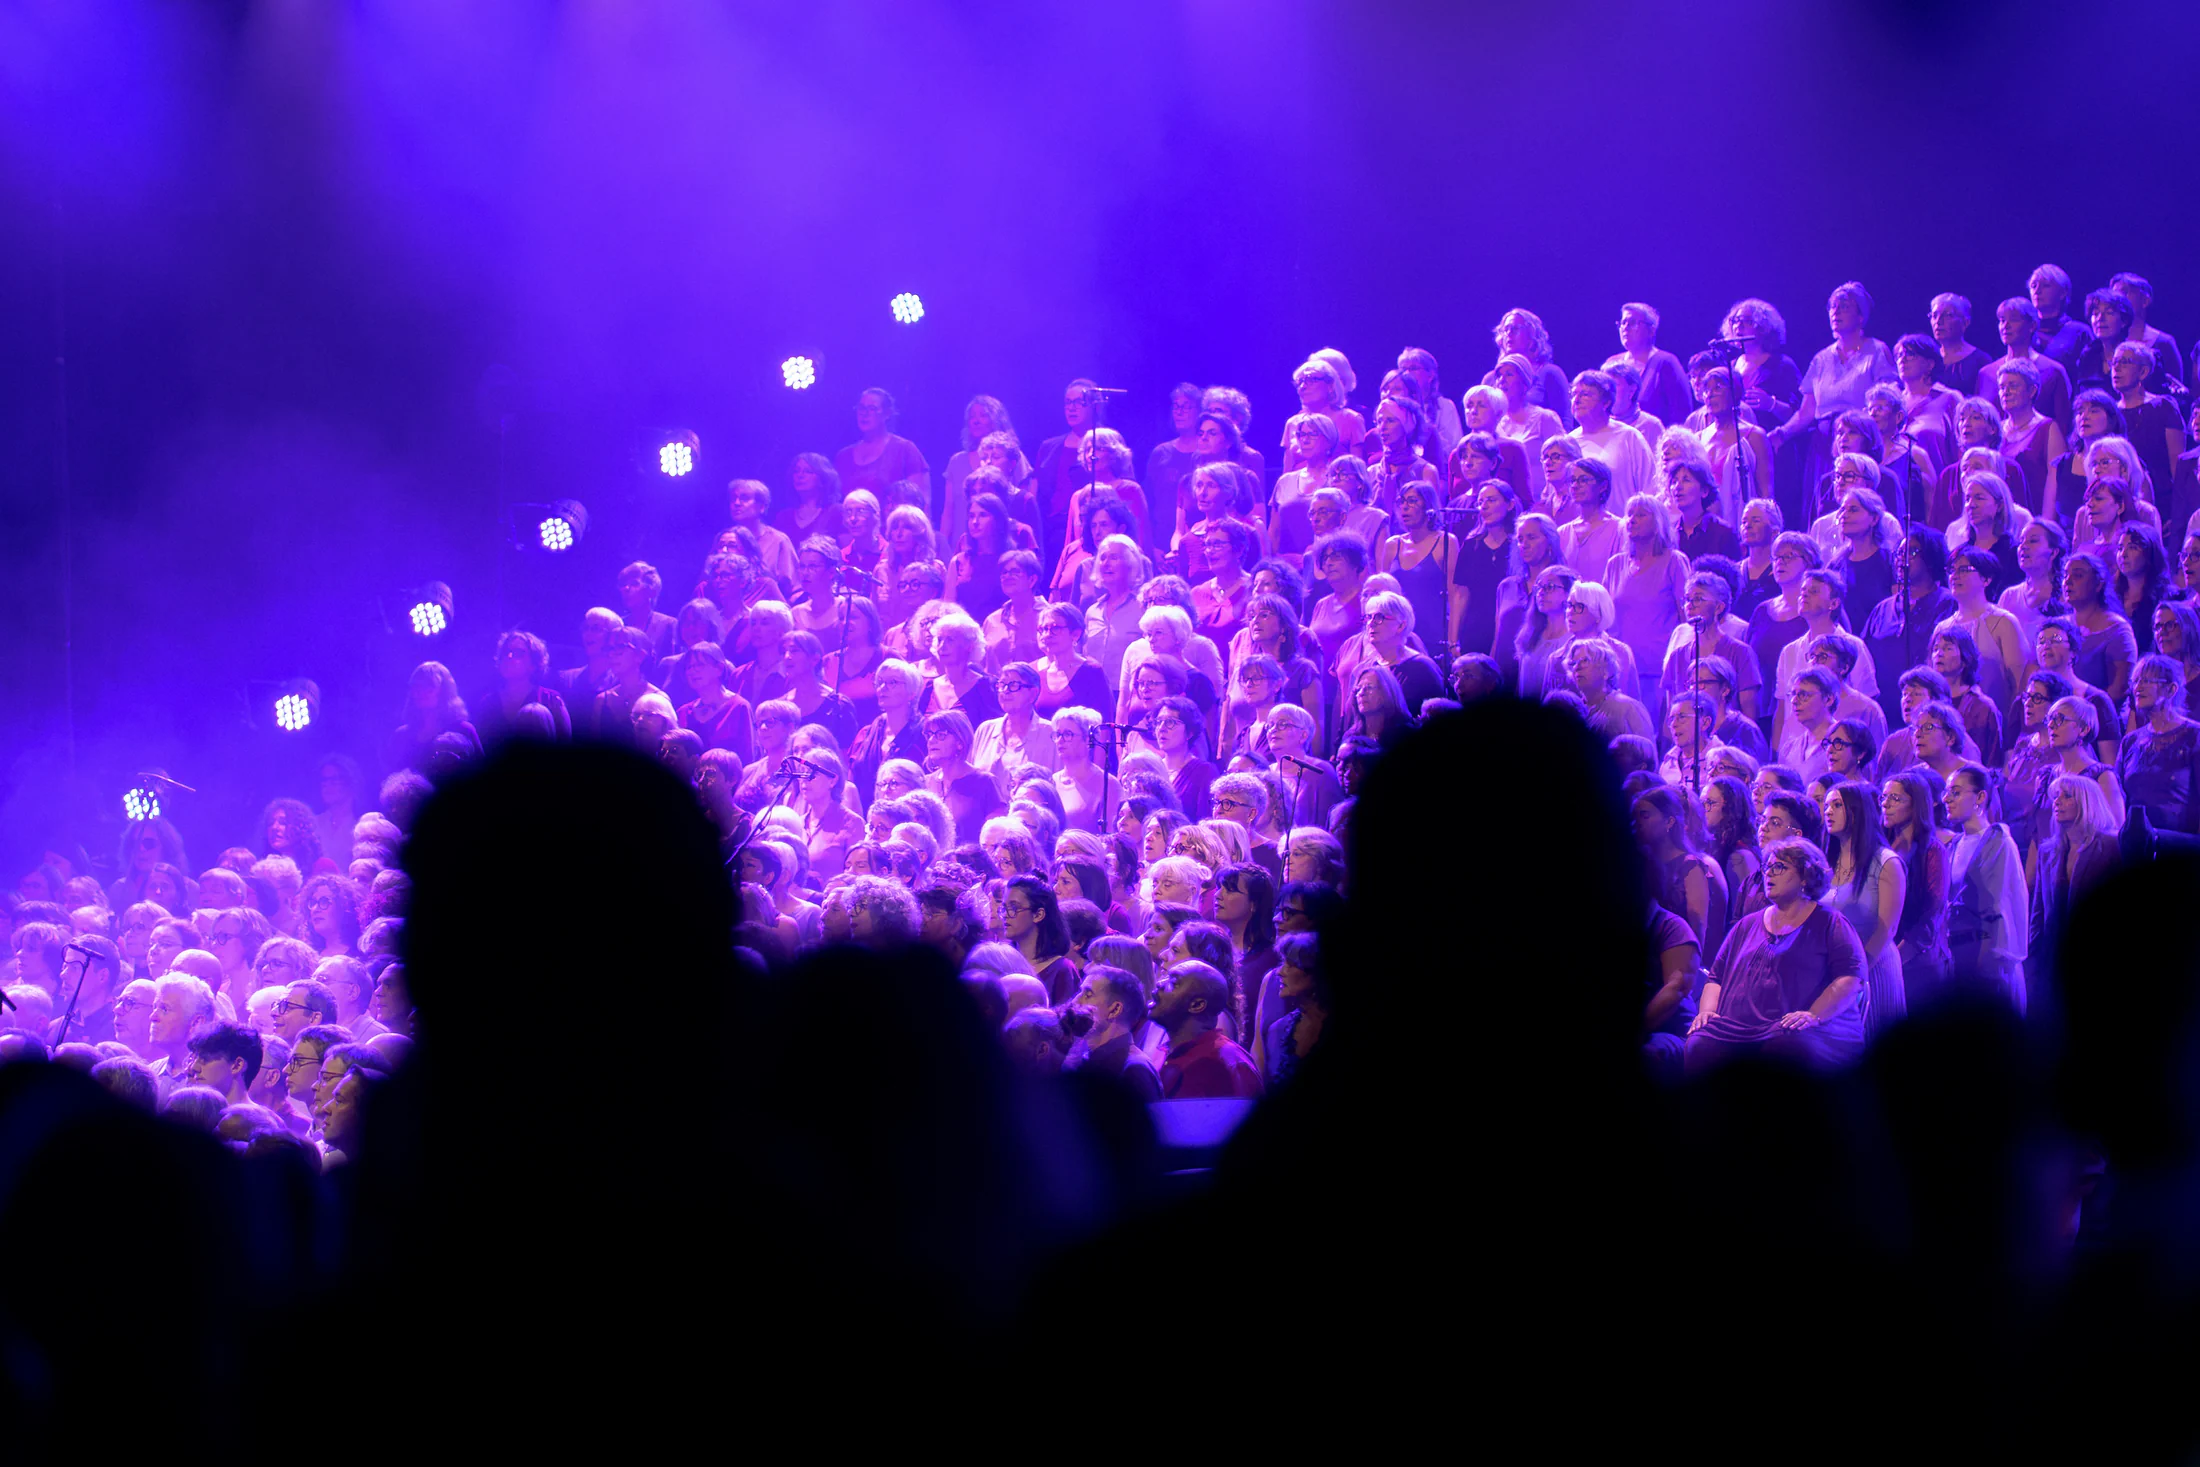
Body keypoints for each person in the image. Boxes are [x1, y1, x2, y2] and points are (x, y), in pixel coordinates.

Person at [1686, 837, 1867, 1070]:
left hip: (1800, 1028)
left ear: (1805, 876)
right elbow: (1716, 978)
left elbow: (1850, 977)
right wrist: (1707, 1012)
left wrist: (1813, 1015)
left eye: (1780, 867)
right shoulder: (1746, 925)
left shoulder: (1830, 922)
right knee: (1700, 1044)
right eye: (1767, 867)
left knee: (1783, 1049)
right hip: (1738, 1028)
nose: (1769, 873)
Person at [1942, 763, 2028, 1011]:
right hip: (1960, 955)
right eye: (1947, 792)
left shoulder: (1997, 841)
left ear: (1980, 797)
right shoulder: (1954, 844)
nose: (1947, 799)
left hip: (1987, 958)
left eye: (1956, 792)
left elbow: (2000, 905)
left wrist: (1989, 963)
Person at [1152, 960, 1263, 1099]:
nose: (1159, 983)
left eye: (1173, 983)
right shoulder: (1175, 1051)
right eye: (1165, 978)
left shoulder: (1225, 1063)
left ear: (1197, 1005)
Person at [2118, 653, 2200, 836]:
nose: (2138, 687)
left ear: (2171, 689)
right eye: (2136, 681)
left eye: (2147, 681)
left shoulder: (2195, 736)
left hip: (2182, 845)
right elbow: (2118, 799)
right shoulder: (2130, 742)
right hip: (2137, 844)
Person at [1060, 964, 1161, 1101]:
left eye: (1088, 995)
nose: (1075, 1001)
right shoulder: (1085, 1057)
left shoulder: (1134, 1069)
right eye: (1080, 992)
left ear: (1115, 1010)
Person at [834, 387, 930, 510]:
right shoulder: (844, 456)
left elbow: (922, 500)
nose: (864, 413)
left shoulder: (904, 449)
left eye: (872, 409)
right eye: (861, 408)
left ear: (887, 414)